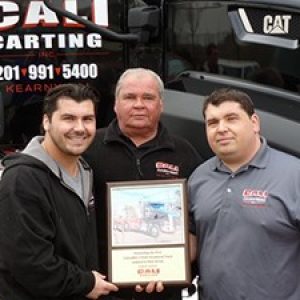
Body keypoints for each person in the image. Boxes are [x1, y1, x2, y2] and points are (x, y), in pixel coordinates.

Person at [83, 68, 203, 299]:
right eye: (129, 97)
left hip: (163, 287)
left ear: (161, 104)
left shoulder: (184, 153)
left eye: (148, 97)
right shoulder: (88, 149)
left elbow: (199, 217)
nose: (139, 104)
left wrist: (179, 262)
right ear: (116, 104)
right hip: (102, 289)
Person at [0, 84, 119, 300]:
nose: (80, 128)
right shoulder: (22, 179)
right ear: (46, 121)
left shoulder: (85, 170)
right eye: (69, 118)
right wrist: (86, 283)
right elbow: (29, 262)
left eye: (87, 119)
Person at [188, 88, 300, 300]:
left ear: (255, 123)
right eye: (213, 123)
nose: (221, 129)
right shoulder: (199, 177)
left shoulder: (294, 175)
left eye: (231, 119)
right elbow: (191, 239)